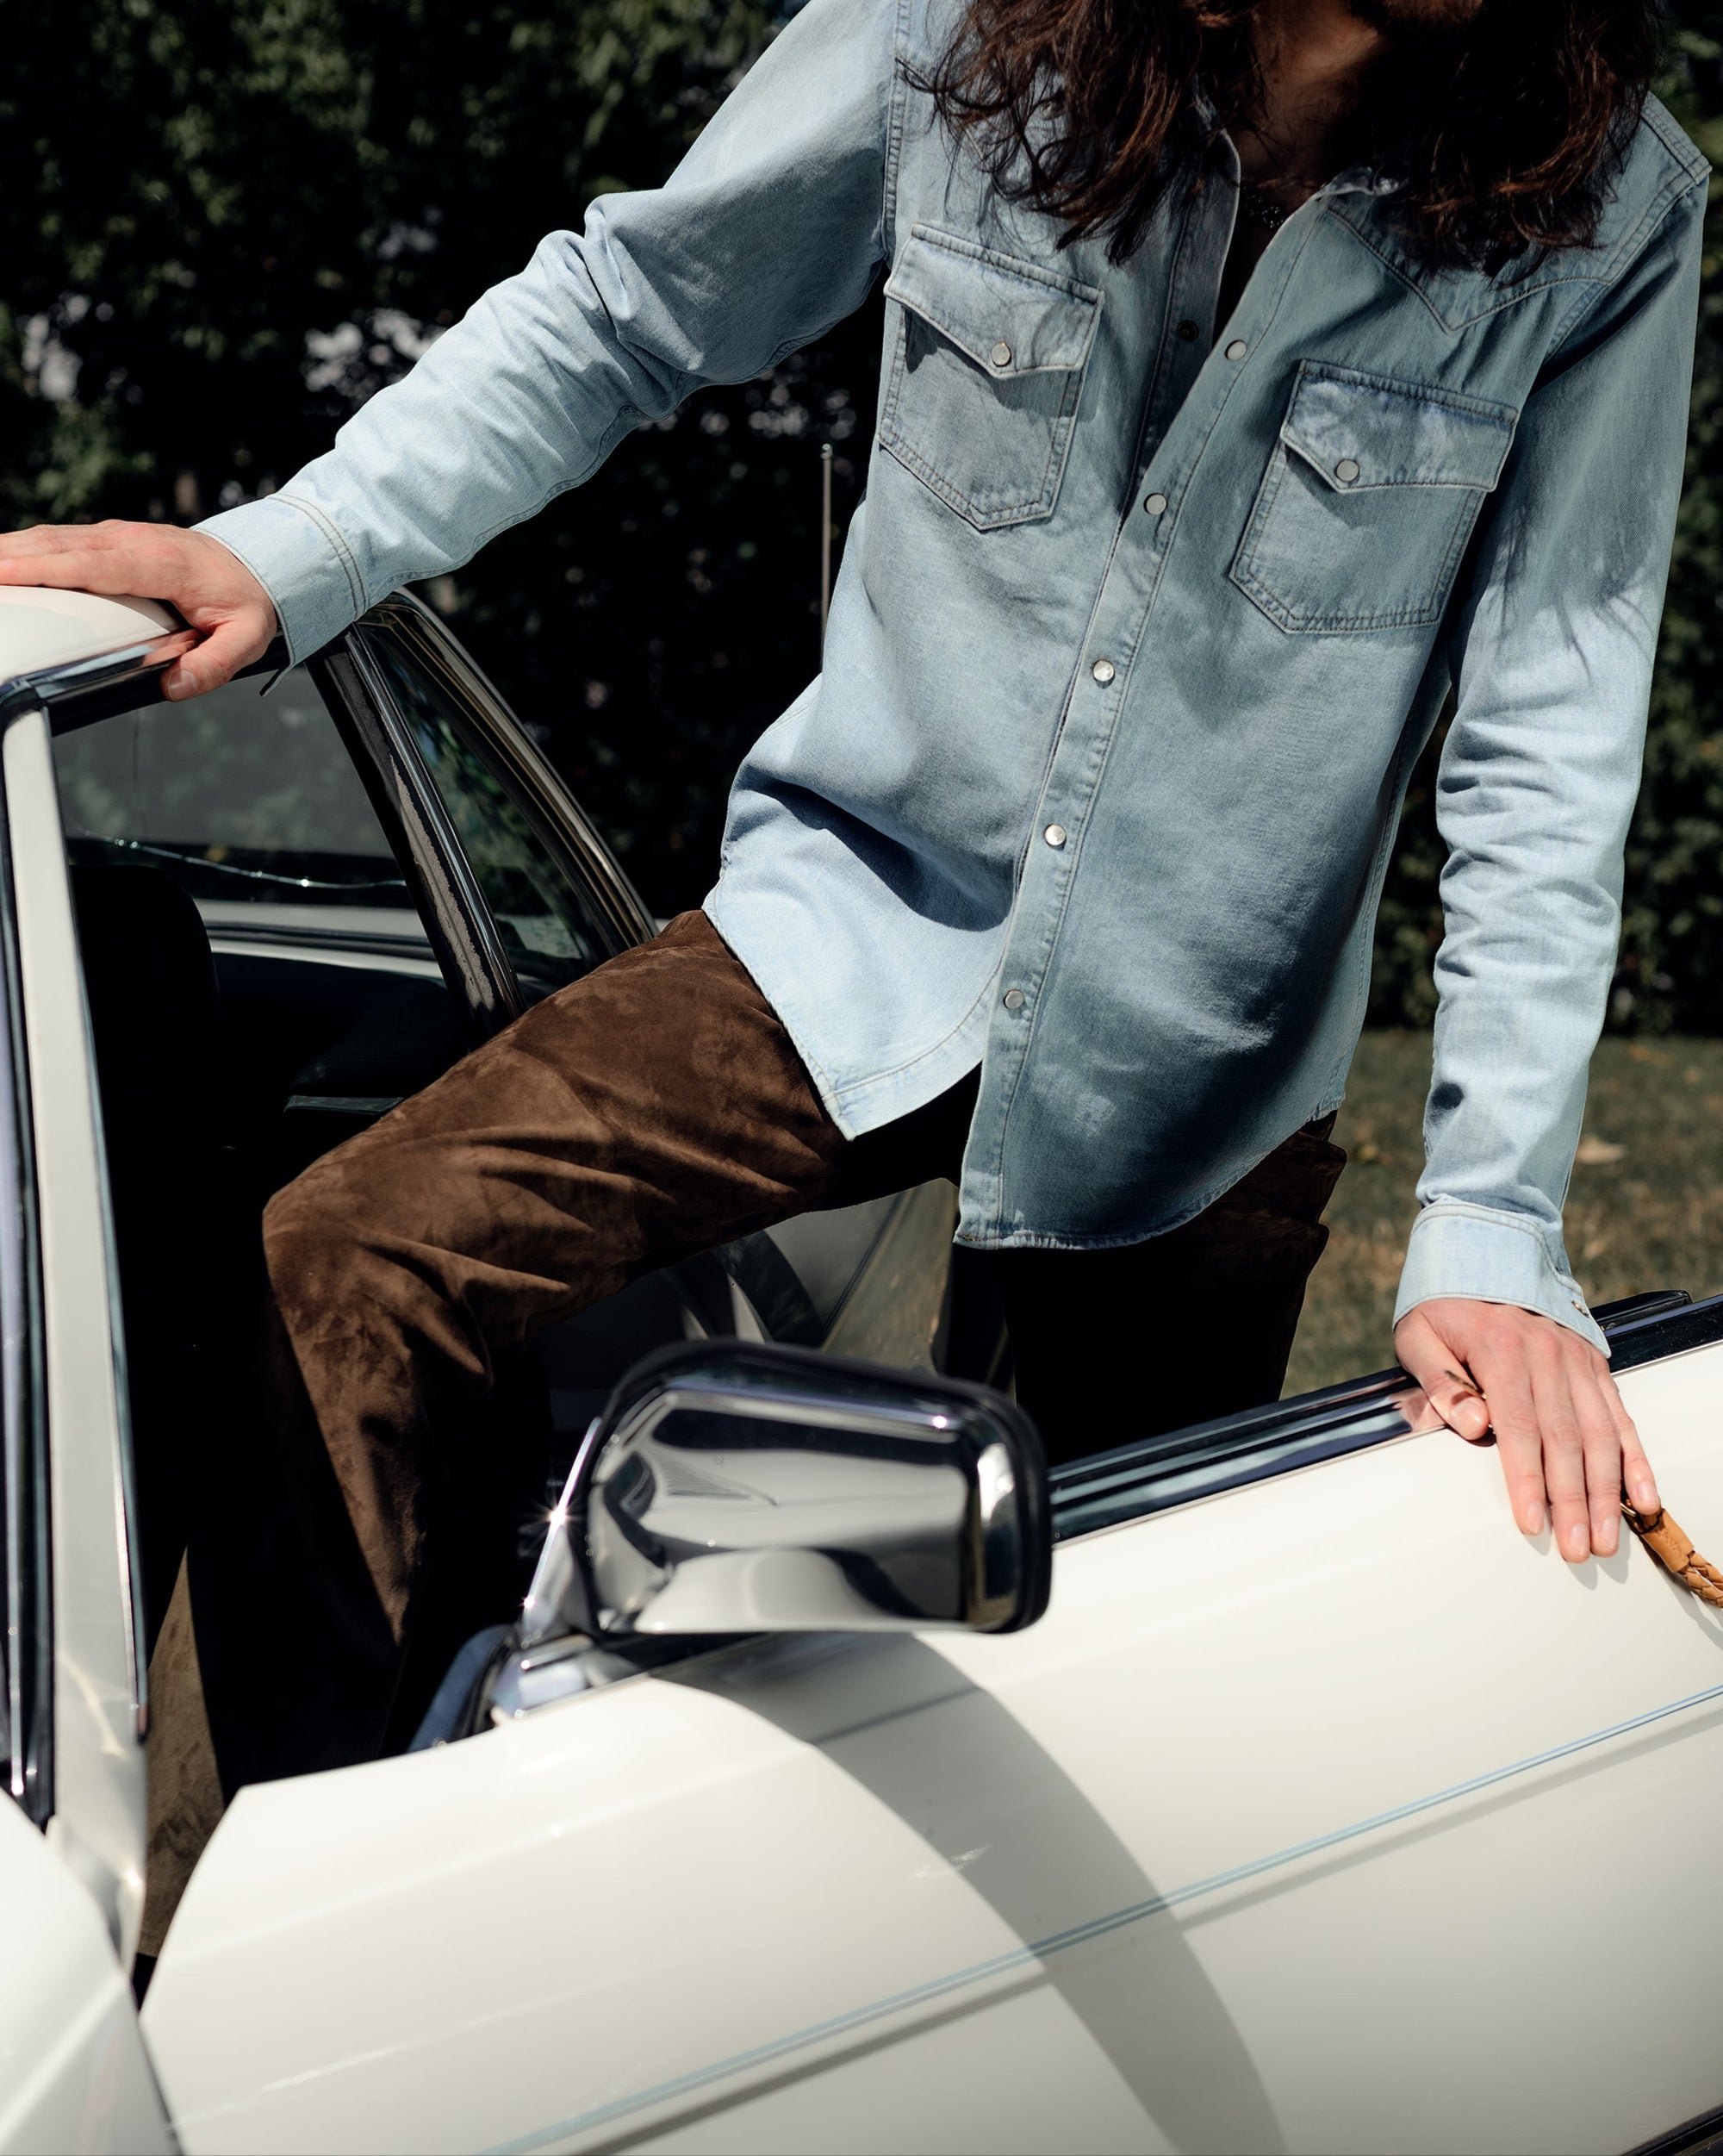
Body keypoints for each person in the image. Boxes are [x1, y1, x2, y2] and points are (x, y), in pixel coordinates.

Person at [0, 0, 1703, 1918]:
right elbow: (629, 308)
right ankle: (217, 1956)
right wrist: (304, 547)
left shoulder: (1607, 209)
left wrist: (1490, 1217)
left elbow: (1550, 728)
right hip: (841, 942)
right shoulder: (962, 36)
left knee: (1129, 1758)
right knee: (348, 1257)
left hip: (1196, 1081)